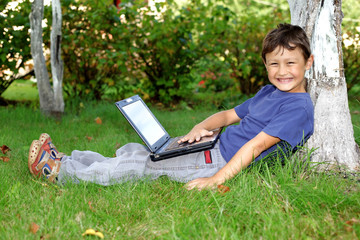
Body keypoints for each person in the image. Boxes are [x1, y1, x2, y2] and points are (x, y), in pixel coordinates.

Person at [28, 23, 314, 190]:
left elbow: (256, 147)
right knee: (137, 151)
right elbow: (228, 115)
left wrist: (215, 181)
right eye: (274, 64)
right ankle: (69, 160)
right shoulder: (268, 91)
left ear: (308, 63)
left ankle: (57, 172)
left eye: (291, 63)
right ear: (265, 65)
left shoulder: (298, 108)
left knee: (140, 165)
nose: (282, 71)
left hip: (219, 161)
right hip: (212, 147)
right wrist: (201, 128)